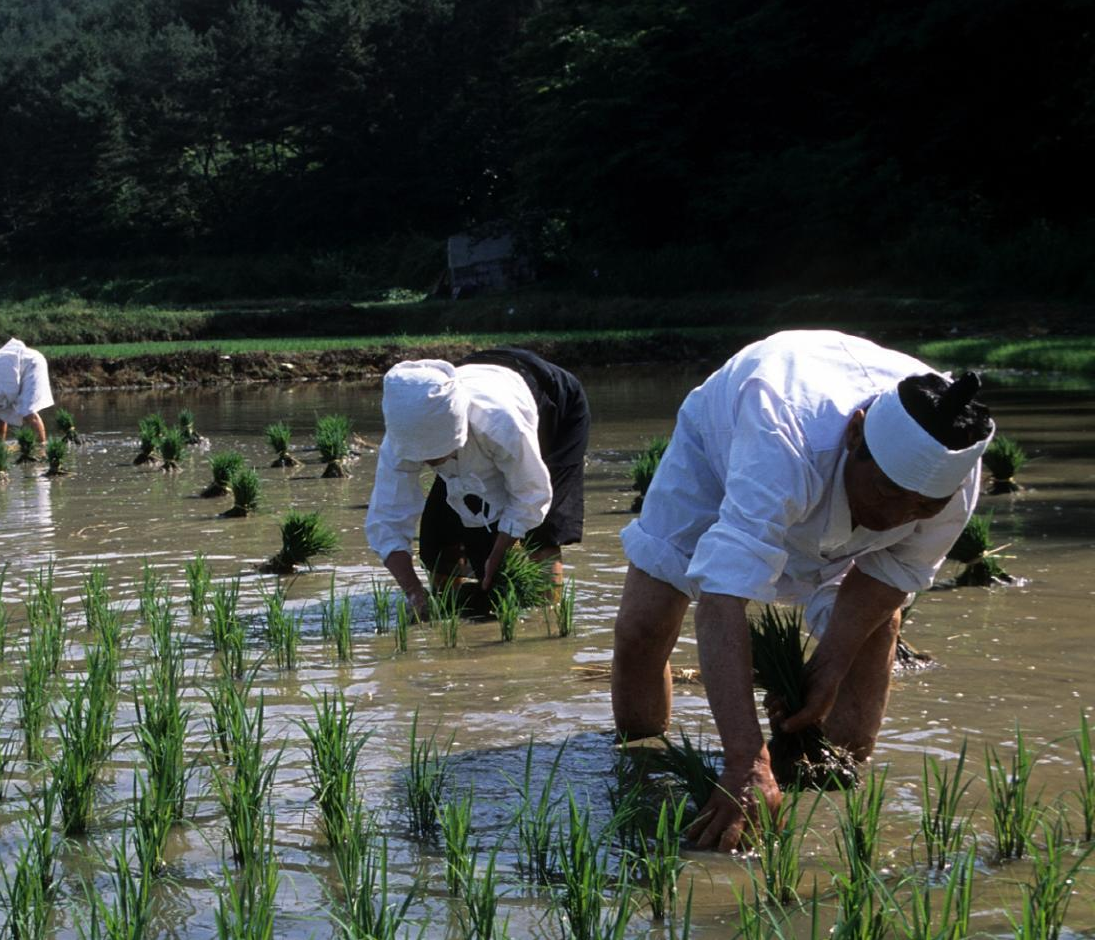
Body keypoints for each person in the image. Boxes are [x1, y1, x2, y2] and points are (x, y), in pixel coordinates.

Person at [609, 330, 993, 852]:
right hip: (722, 448)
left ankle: (833, 777)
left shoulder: (954, 483)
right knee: (644, 626)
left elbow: (887, 577)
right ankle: (638, 758)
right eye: (886, 493)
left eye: (920, 508)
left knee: (872, 632)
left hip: (822, 468)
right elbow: (722, 598)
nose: (894, 518)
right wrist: (746, 760)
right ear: (857, 435)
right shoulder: (782, 437)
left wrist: (829, 665)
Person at [366, 349, 591, 620]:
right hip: (479, 373)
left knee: (542, 532)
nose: (432, 464)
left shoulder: (500, 422)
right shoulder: (403, 435)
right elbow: (386, 521)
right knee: (437, 541)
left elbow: (530, 495)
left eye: (438, 455)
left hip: (551, 403)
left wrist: (498, 555)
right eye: (425, 459)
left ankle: (545, 616)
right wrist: (414, 592)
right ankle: (449, 610)